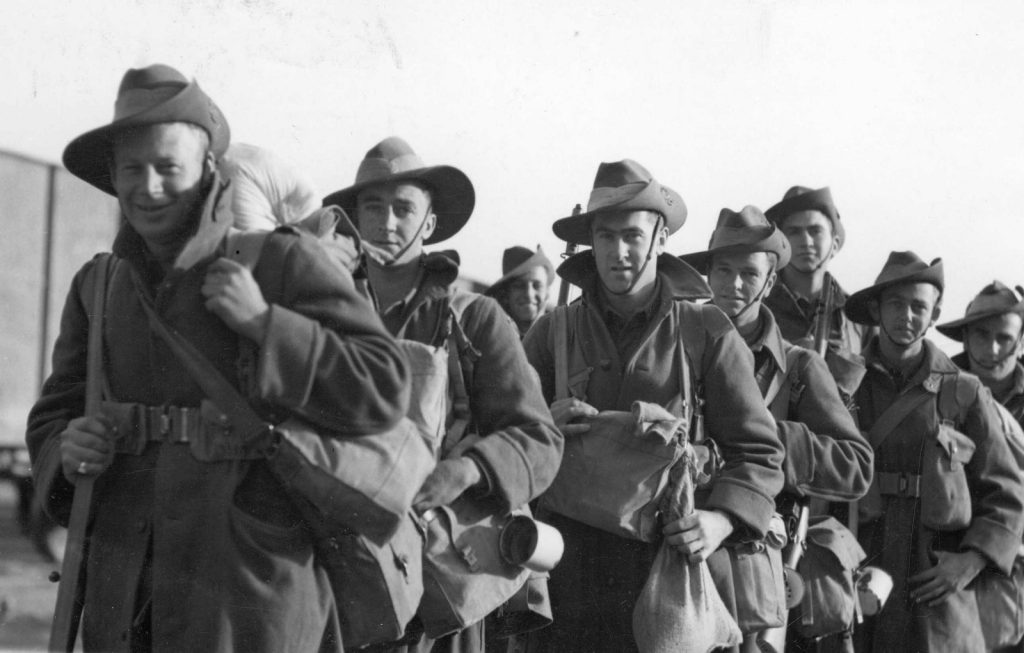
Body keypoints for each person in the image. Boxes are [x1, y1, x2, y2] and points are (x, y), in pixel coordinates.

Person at [26, 64, 410, 653]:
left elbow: (383, 388)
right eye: (132, 168)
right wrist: (65, 449)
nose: (148, 187)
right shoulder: (99, 286)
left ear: (208, 170)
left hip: (250, 595)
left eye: (167, 167)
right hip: (124, 592)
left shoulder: (281, 264)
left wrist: (265, 324)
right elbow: (54, 414)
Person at [521, 160, 785, 653]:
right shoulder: (551, 332)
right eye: (605, 236)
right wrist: (542, 425)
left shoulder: (706, 332)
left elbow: (761, 455)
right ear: (590, 242)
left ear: (660, 238)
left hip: (664, 564)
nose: (619, 253)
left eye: (633, 236)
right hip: (564, 567)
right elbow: (504, 435)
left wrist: (721, 521)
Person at [322, 136, 562, 653]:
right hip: (331, 564)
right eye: (372, 207)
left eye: (403, 208)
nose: (387, 223)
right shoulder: (320, 310)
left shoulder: (474, 318)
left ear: (429, 223)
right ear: (353, 217)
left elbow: (539, 439)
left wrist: (467, 470)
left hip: (435, 570)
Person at [682, 205, 873, 651]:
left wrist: (768, 434)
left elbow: (856, 467)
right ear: (707, 274)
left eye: (748, 274)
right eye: (723, 270)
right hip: (680, 537)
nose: (733, 285)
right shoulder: (677, 344)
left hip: (756, 554)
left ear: (770, 283)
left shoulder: (800, 366)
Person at [843, 251, 1024, 652]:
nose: (906, 315)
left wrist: (970, 563)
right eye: (895, 304)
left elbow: (1009, 495)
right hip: (859, 577)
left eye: (918, 306)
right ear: (875, 309)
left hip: (935, 588)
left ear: (935, 313)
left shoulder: (964, 391)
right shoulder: (843, 384)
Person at [937, 280, 1024, 651]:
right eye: (981, 335)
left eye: (1003, 338)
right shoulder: (937, 389)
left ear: (1020, 342)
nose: (991, 350)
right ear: (965, 338)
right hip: (950, 561)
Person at [763, 186, 871, 402]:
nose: (806, 241)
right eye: (794, 231)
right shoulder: (760, 307)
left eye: (815, 230)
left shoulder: (858, 318)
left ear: (835, 243)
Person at [484, 245, 555, 338]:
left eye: (537, 286)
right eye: (519, 286)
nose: (529, 294)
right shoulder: (488, 335)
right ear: (505, 294)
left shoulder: (559, 338)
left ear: (547, 293)